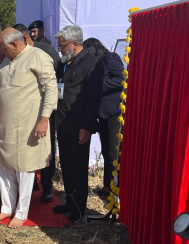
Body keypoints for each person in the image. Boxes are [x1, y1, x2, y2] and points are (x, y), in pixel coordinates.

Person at [0, 28, 58, 228]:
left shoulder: (38, 57)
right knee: (5, 167)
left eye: (3, 49)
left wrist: (44, 119)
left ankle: (21, 213)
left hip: (28, 125)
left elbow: (51, 89)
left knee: (24, 170)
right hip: (6, 124)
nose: (0, 54)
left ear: (15, 44)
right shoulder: (8, 60)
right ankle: (6, 208)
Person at [53, 26, 104, 222]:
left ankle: (78, 208)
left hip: (79, 126)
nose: (59, 49)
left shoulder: (92, 63)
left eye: (62, 45)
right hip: (62, 121)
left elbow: (93, 99)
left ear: (75, 44)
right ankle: (69, 201)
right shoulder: (64, 62)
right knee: (66, 165)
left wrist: (87, 127)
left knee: (78, 168)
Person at [13, 23, 59, 201]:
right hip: (24, 112)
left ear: (23, 38)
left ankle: (47, 186)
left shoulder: (45, 50)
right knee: (26, 147)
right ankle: (30, 183)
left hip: (45, 112)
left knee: (45, 149)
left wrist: (46, 115)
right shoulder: (18, 56)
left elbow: (54, 82)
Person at [83, 38, 124, 197]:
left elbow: (122, 78)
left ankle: (117, 189)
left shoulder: (110, 58)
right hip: (103, 113)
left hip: (115, 112)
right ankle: (108, 187)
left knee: (114, 151)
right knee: (106, 151)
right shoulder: (97, 64)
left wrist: (98, 85)